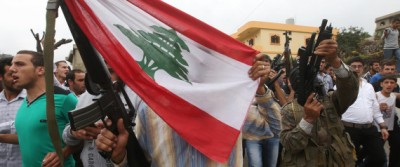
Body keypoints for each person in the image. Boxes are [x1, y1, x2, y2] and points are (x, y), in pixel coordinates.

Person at [95, 53, 280, 166]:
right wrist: (120, 157)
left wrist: (261, 90)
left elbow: (273, 129)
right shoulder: (148, 111)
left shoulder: (227, 108)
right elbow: (139, 161)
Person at [280, 39, 358, 167]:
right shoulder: (289, 110)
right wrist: (307, 120)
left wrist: (335, 61)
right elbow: (290, 145)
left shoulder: (330, 101)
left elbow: (350, 90)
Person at [9, 50, 77, 167]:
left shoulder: (65, 99)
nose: (11, 69)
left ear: (40, 70)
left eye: (20, 64)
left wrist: (64, 153)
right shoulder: (24, 103)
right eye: (12, 64)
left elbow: (87, 134)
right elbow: (27, 136)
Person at [341, 56, 388, 167]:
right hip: (349, 129)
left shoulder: (369, 86)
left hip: (369, 129)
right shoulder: (340, 86)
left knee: (379, 158)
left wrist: (382, 126)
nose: (357, 69)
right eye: (354, 66)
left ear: (363, 68)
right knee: (352, 161)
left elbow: (375, 109)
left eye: (359, 66)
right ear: (348, 68)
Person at [242, 56, 282, 167]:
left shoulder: (275, 80)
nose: (262, 65)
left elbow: (278, 122)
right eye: (259, 62)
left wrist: (270, 85)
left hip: (272, 136)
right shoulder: (244, 86)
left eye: (266, 62)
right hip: (252, 136)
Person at [0, 56, 26, 167]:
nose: (15, 77)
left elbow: (33, 136)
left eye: (18, 73)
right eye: (11, 75)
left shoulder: (31, 101)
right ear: (1, 77)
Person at [375, 75, 400, 167]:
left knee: (397, 147)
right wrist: (378, 108)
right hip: (377, 129)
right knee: (376, 155)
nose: (389, 85)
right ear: (381, 84)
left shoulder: (394, 95)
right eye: (386, 82)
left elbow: (397, 95)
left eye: (392, 83)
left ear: (395, 85)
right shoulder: (375, 96)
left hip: (390, 128)